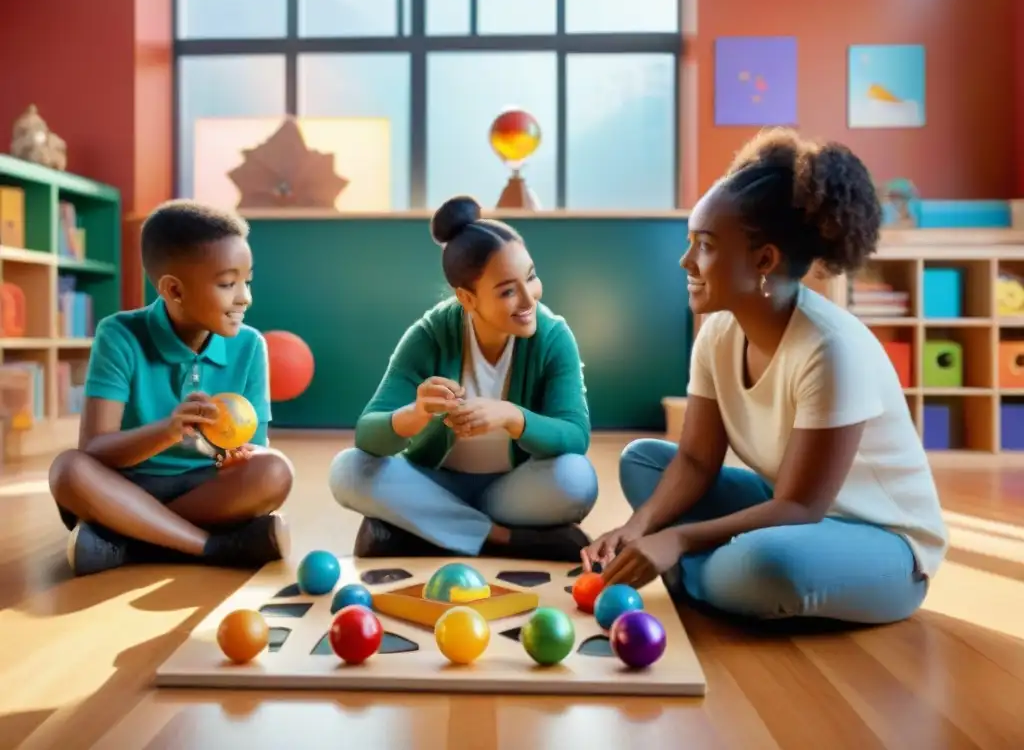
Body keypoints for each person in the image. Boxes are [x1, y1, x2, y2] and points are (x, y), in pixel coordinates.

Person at [583, 128, 948, 625]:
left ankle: (703, 572)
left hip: (882, 544)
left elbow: (800, 506)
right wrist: (638, 527)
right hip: (786, 510)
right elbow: (694, 459)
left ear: (764, 260)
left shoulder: (831, 349)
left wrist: (676, 537)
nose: (686, 261)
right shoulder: (718, 335)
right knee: (643, 462)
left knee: (768, 565)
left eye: (705, 245)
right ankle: (710, 574)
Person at [329, 194, 598, 561]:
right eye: (507, 291)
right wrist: (416, 413)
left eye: (531, 277)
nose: (528, 299)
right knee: (348, 470)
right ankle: (500, 538)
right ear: (467, 298)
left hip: (514, 492)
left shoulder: (552, 336)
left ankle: (425, 532)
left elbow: (574, 435)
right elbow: (367, 434)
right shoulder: (430, 335)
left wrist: (509, 416)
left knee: (576, 480)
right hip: (437, 483)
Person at [48, 200, 294, 576]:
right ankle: (209, 547)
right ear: (175, 291)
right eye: (228, 284)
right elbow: (95, 450)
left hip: (204, 492)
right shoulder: (119, 334)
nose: (245, 297)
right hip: (127, 485)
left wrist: (235, 453)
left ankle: (125, 539)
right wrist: (165, 433)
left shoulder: (251, 345)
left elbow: (257, 447)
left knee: (275, 471)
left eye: (247, 281)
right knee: (68, 470)